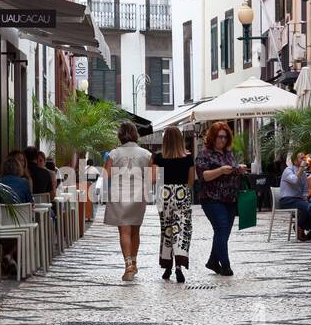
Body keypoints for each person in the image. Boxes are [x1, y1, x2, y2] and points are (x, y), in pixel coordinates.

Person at [103, 121, 156, 281]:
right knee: (135, 231)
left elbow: (106, 176)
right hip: (138, 195)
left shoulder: (114, 153)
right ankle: (134, 261)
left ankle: (128, 265)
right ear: (135, 134)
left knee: (124, 231)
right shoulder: (146, 154)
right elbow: (153, 179)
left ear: (120, 135)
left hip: (119, 194)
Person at [195, 121, 246, 276]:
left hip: (230, 199)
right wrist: (221, 170)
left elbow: (231, 170)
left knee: (223, 233)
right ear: (213, 137)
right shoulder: (204, 154)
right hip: (211, 199)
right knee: (221, 229)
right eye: (219, 137)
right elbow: (204, 176)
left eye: (225, 137)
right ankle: (225, 265)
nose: (222, 140)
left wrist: (238, 169)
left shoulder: (228, 154)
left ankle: (212, 261)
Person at [152, 126, 195, 282]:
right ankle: (179, 266)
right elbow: (190, 182)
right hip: (181, 195)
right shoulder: (188, 158)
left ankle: (167, 266)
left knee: (167, 231)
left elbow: (155, 179)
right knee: (181, 230)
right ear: (180, 139)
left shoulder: (158, 158)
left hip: (164, 196)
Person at [0, 151, 33, 277]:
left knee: (7, 234)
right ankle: (10, 256)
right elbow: (30, 205)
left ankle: (8, 257)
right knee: (27, 229)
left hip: (1, 224)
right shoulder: (24, 183)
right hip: (21, 225)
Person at [279, 152, 311, 241]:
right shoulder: (288, 170)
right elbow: (294, 180)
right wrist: (301, 168)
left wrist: (305, 197)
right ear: (295, 160)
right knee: (308, 207)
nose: (304, 160)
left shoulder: (303, 173)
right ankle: (299, 225)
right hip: (287, 200)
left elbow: (304, 189)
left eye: (304, 158)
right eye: (301, 158)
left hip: (298, 200)